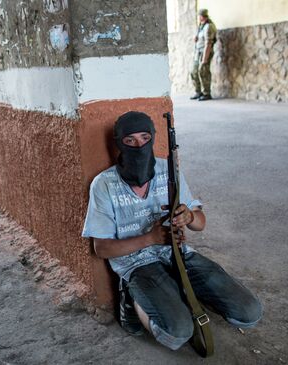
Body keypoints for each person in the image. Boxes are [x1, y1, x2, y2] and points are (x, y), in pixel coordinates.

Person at [82, 111, 262, 351]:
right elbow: (102, 248)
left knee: (248, 312)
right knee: (179, 331)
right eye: (130, 141)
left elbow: (200, 223)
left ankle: (177, 292)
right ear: (119, 144)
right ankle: (133, 299)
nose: (139, 145)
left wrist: (189, 216)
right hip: (137, 265)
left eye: (145, 138)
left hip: (178, 255)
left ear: (154, 138)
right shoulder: (103, 184)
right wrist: (150, 239)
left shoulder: (168, 170)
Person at [190, 8, 217, 101]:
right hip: (198, 52)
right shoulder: (201, 26)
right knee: (193, 72)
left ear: (203, 16)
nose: (199, 17)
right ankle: (198, 91)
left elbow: (208, 43)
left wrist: (205, 58)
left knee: (204, 72)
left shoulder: (209, 26)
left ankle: (206, 93)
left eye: (200, 16)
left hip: (205, 52)